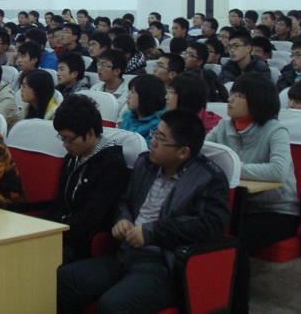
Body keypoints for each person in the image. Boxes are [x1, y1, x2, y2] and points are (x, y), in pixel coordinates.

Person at [57, 109, 231, 314]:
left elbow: (210, 225)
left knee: (113, 305)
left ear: (183, 152)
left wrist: (152, 232)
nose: (152, 142)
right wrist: (122, 220)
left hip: (165, 266)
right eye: (154, 133)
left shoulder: (209, 178)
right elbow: (123, 201)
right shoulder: (145, 163)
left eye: (160, 139)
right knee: (64, 280)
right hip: (126, 253)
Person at [206, 73, 299, 314]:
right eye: (232, 94)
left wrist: (232, 166)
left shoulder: (275, 130)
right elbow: (203, 153)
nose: (230, 100)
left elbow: (277, 171)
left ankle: (238, 308)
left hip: (276, 211)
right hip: (239, 207)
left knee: (235, 240)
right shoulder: (224, 126)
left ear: (257, 101)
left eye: (238, 96)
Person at [43, 94, 129, 264]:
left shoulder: (112, 164)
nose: (65, 144)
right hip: (61, 232)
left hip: (81, 244)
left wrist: (53, 234)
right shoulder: (73, 157)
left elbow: (91, 217)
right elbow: (60, 202)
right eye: (62, 138)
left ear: (90, 133)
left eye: (68, 138)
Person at [118, 75, 166, 143]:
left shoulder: (158, 126)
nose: (128, 96)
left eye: (132, 92)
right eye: (129, 91)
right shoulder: (128, 117)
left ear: (145, 96)